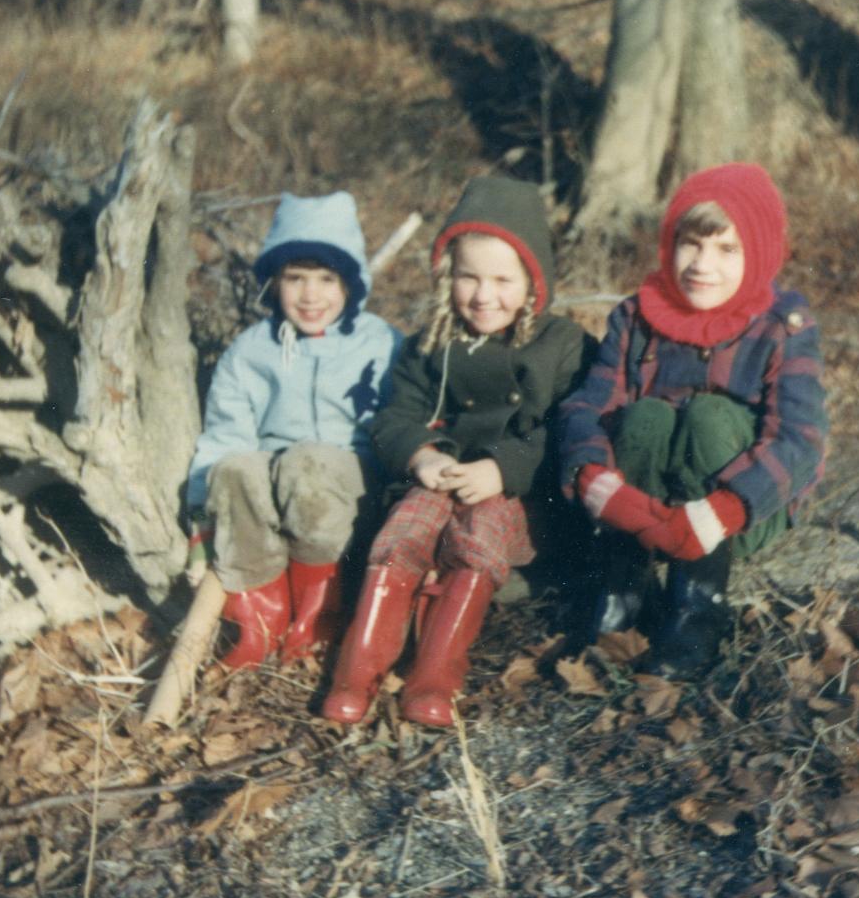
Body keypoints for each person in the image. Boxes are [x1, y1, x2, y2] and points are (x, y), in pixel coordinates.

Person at [321, 176, 593, 728]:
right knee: (403, 531)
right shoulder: (431, 343)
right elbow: (395, 416)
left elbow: (569, 428)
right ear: (448, 277)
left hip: (517, 494)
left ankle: (433, 679)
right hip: (440, 480)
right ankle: (355, 674)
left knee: (480, 537)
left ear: (533, 281)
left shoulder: (560, 345)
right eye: (468, 277)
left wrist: (502, 469)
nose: (483, 295)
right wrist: (422, 456)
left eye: (502, 280)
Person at [556, 163, 828, 678]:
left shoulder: (781, 325)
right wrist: (594, 477)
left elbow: (801, 439)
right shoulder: (636, 317)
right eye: (690, 244)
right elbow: (586, 407)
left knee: (707, 414)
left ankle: (698, 606)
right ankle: (623, 588)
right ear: (669, 243)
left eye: (728, 250)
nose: (702, 265)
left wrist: (723, 511)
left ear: (760, 253)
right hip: (641, 512)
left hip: (738, 513)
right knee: (646, 418)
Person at [186, 192, 403, 668]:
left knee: (309, 463)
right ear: (273, 281)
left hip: (347, 493)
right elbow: (226, 434)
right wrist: (202, 514)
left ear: (350, 283)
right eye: (295, 278)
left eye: (327, 279)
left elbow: (406, 421)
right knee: (237, 468)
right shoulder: (250, 352)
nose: (310, 295)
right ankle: (261, 621)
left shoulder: (381, 344)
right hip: (275, 492)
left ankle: (319, 615)